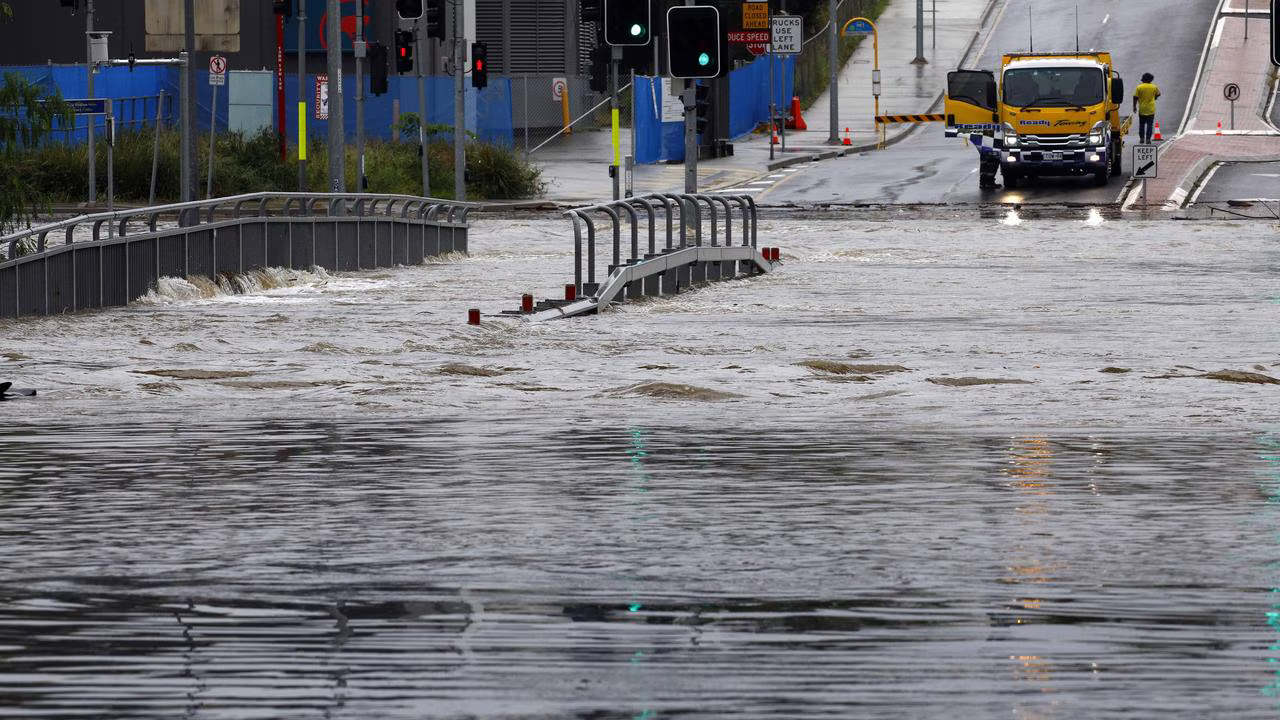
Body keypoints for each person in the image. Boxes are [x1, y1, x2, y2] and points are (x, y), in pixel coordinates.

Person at [1133, 73, 1161, 143]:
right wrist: (1155, 97)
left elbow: (1135, 97)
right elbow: (1158, 94)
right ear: (1151, 79)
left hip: (1142, 109)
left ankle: (1142, 138)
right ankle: (1148, 139)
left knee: (1141, 124)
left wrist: (1134, 107)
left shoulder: (1139, 87)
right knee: (1150, 125)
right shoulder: (1154, 87)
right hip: (1151, 109)